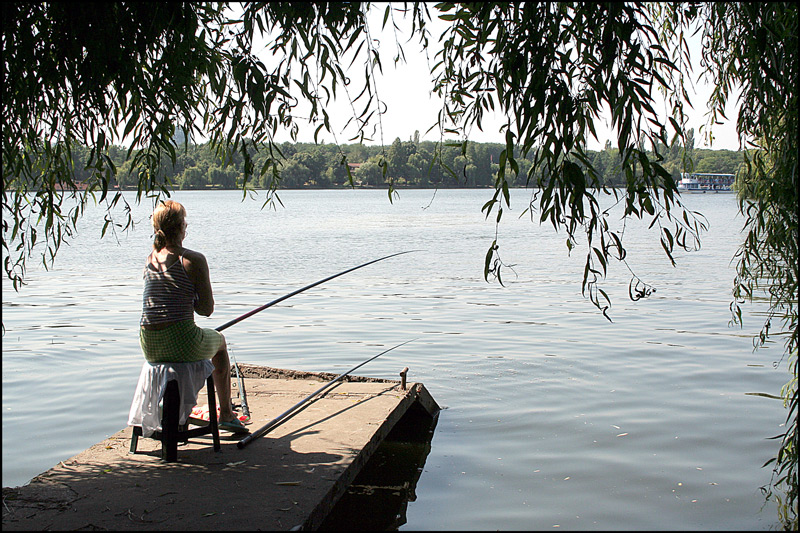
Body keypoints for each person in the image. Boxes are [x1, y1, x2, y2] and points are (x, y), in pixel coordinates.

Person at [139, 200, 248, 434]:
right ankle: (227, 414)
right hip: (181, 341)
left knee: (198, 337)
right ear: (181, 227)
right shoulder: (193, 259)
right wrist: (192, 299)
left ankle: (170, 407)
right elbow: (206, 310)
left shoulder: (151, 259)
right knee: (220, 343)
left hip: (149, 344)